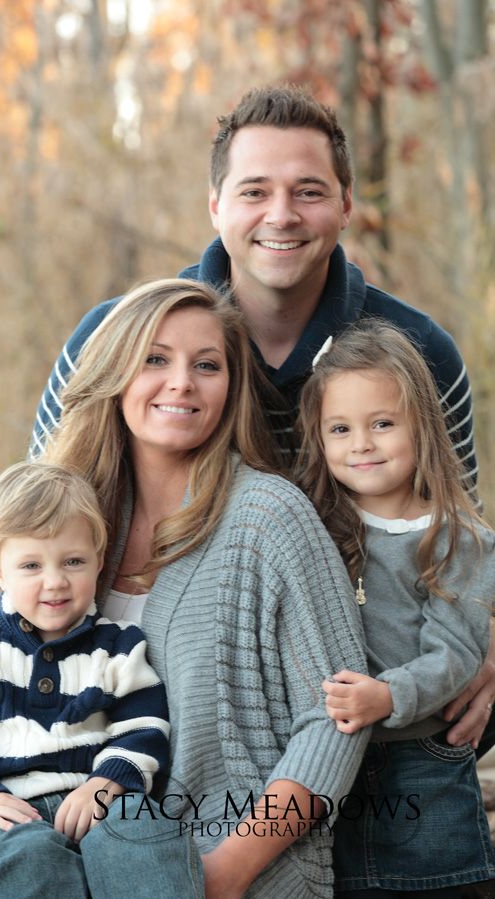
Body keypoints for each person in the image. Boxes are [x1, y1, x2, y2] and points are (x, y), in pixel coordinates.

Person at [28, 83, 493, 755]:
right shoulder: (117, 340)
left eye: (307, 191)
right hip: (147, 682)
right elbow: (33, 527)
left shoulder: (415, 353)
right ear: (215, 205)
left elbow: (456, 537)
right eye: (253, 191)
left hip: (360, 692)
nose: (281, 215)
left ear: (345, 204)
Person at [0, 279, 369, 897]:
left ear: (231, 389)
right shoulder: (68, 513)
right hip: (42, 841)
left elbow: (334, 722)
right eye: (155, 359)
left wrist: (226, 872)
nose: (182, 382)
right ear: (115, 370)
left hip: (197, 860)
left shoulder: (269, 518)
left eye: (207, 365)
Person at [0, 462, 169, 897]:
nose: (55, 581)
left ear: (99, 560)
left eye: (73, 561)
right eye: (30, 565)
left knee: (145, 829)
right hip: (9, 814)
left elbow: (145, 727)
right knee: (32, 857)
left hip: (96, 805)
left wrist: (106, 783)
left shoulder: (119, 646)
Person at [296, 320, 495, 897]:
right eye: (340, 428)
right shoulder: (316, 525)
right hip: (330, 763)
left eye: (382, 424)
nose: (361, 443)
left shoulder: (456, 537)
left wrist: (389, 696)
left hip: (422, 760)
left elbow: (456, 652)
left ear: (424, 428)